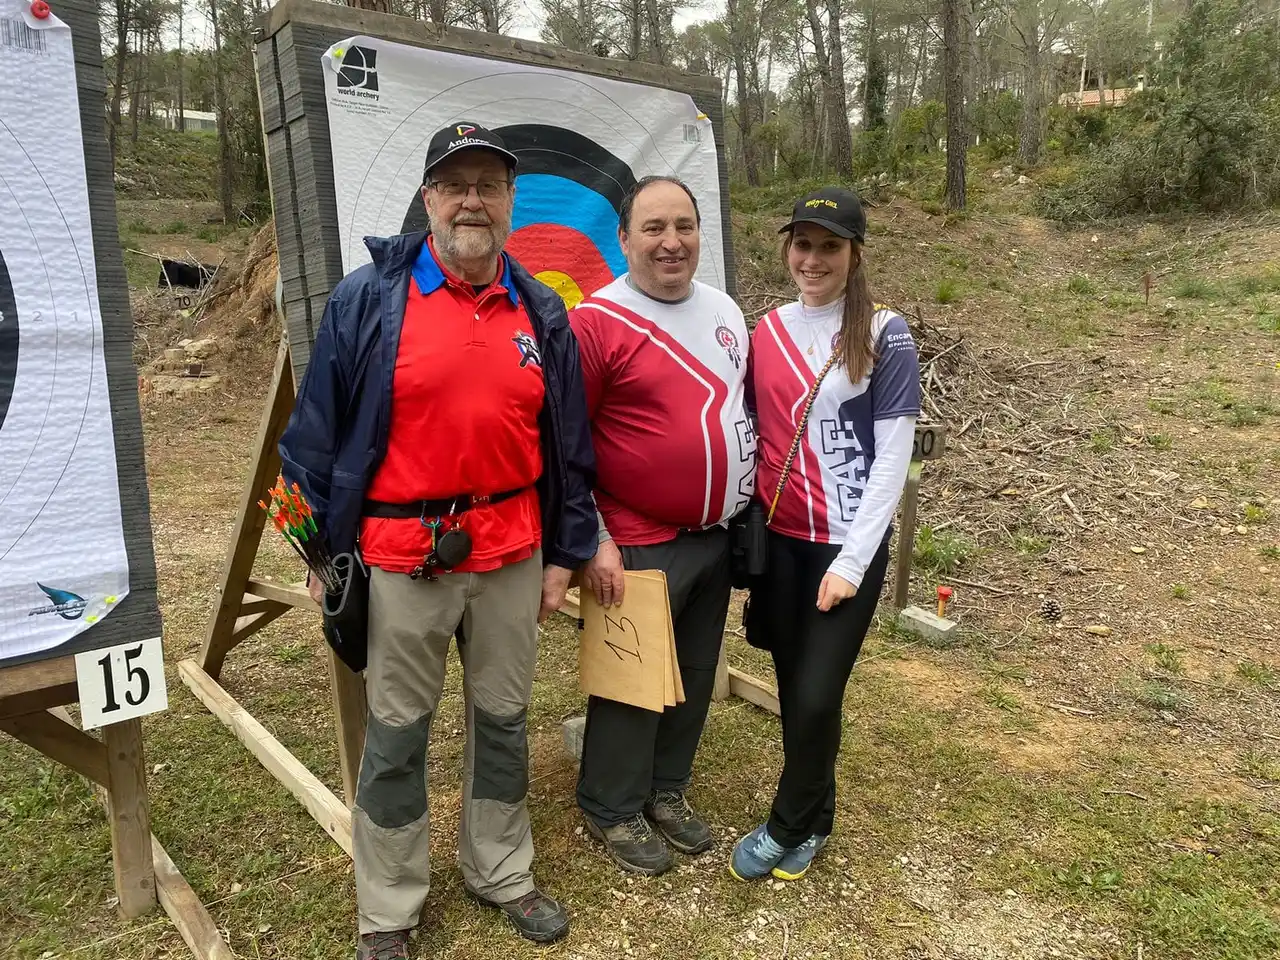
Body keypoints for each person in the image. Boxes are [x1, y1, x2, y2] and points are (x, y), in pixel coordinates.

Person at [278, 122, 598, 960]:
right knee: (395, 735)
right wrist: (318, 558)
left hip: (512, 552)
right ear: (427, 200)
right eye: (455, 185)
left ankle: (500, 870)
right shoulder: (367, 300)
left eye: (489, 185)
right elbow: (308, 442)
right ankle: (388, 908)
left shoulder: (541, 308)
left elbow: (567, 448)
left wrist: (564, 554)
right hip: (398, 557)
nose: (472, 201)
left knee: (503, 719)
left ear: (509, 202)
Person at [730, 186, 920, 883]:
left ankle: (786, 827)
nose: (812, 259)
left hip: (847, 548)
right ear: (787, 248)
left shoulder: (886, 335)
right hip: (780, 542)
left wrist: (852, 561)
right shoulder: (767, 331)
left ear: (855, 253)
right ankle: (820, 815)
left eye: (829, 246)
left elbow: (892, 460)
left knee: (816, 694)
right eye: (802, 243)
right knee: (793, 687)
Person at [569, 175, 756, 876]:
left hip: (714, 536)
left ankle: (666, 788)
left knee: (696, 671)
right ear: (623, 240)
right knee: (633, 678)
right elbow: (566, 443)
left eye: (684, 225)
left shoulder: (725, 309)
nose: (671, 242)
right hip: (634, 534)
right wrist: (594, 538)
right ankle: (611, 803)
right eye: (653, 228)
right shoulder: (594, 321)